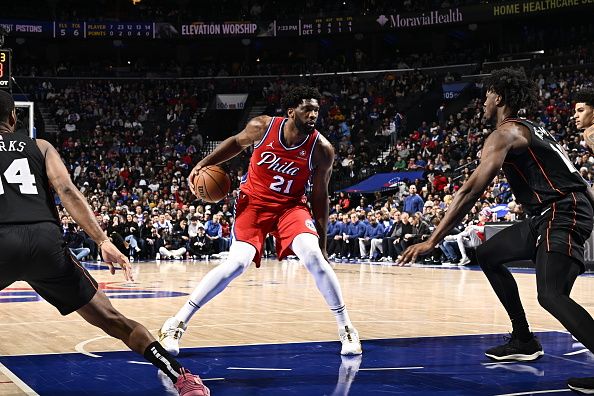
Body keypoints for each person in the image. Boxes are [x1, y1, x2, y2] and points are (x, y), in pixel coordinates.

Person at [398, 69, 594, 394]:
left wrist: (433, 239)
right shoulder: (533, 129)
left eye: (487, 95)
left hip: (561, 211)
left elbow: (470, 191)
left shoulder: (506, 132)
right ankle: (524, 339)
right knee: (488, 254)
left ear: (498, 96)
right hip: (553, 213)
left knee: (551, 294)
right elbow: (578, 180)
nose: (484, 102)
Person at [0, 91, 208, 396]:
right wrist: (103, 240)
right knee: (113, 320)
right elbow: (67, 192)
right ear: (14, 117)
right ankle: (180, 377)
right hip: (45, 242)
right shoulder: (40, 146)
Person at [159, 86, 361, 357]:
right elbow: (234, 143)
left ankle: (346, 328)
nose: (314, 114)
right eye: (307, 109)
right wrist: (202, 164)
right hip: (253, 205)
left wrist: (322, 241)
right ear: (291, 112)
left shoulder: (322, 149)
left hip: (291, 208)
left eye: (316, 109)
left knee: (314, 257)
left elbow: (321, 194)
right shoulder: (262, 127)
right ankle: (176, 323)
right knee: (236, 264)